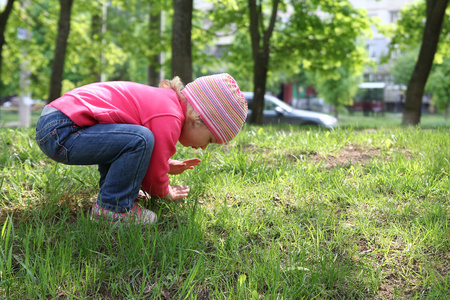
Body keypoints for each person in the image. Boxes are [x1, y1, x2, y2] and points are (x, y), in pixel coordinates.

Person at [35, 74, 248, 225]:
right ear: (198, 119)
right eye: (209, 140)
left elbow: (143, 154)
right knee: (140, 139)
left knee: (134, 138)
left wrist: (164, 164)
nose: (202, 148)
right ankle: (112, 207)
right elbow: (153, 172)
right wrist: (165, 191)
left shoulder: (166, 104)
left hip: (57, 122)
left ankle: (118, 192)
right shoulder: (170, 116)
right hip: (63, 130)